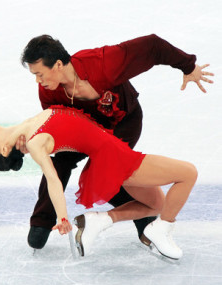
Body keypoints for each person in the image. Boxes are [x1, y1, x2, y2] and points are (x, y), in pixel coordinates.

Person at [18, 33, 213, 250]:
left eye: (39, 74)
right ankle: (41, 222)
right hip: (81, 130)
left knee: (107, 172)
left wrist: (187, 66)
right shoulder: (48, 91)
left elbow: (152, 45)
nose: (37, 80)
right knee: (60, 162)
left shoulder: (103, 63)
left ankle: (139, 214)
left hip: (123, 124)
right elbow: (53, 124)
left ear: (57, 65)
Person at [0, 105, 198, 259]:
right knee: (188, 174)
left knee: (156, 205)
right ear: (3, 150)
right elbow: (53, 180)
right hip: (114, 159)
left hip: (114, 153)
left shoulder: (29, 126)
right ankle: (163, 229)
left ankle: (98, 221)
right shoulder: (35, 143)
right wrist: (62, 216)